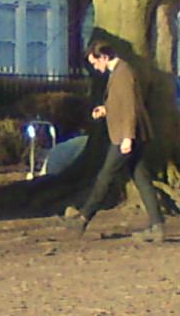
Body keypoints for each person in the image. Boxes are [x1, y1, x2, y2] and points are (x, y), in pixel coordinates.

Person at [65, 40, 165, 242]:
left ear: (104, 57)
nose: (95, 67)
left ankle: (83, 218)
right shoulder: (120, 71)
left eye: (95, 62)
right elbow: (121, 102)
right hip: (128, 134)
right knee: (142, 179)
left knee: (105, 176)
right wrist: (106, 109)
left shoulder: (123, 72)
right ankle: (157, 225)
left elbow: (130, 107)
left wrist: (128, 137)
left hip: (125, 136)